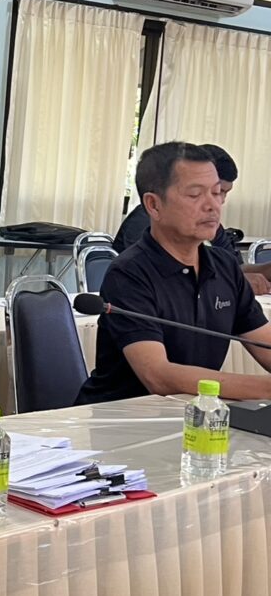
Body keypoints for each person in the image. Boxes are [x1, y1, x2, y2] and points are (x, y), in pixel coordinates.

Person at [76, 142, 271, 405]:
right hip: (122, 419)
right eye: (195, 195)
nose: (213, 205)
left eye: (217, 193)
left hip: (193, 414)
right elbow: (159, 376)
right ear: (154, 205)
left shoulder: (224, 266)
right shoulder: (129, 274)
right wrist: (266, 388)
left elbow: (265, 344)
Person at [114, 143, 271, 294]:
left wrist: (263, 270)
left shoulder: (209, 223)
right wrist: (233, 283)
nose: (218, 202)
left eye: (219, 192)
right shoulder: (145, 224)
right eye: (196, 194)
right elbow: (154, 280)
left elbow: (235, 268)